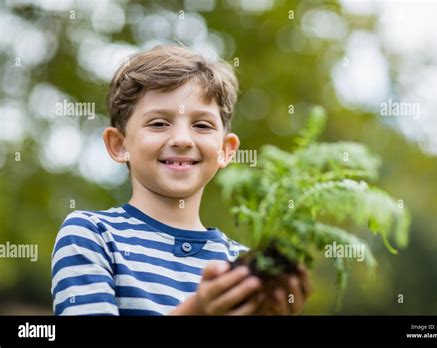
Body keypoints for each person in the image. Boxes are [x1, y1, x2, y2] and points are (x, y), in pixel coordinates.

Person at [51, 45, 310, 315]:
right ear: (119, 144)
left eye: (202, 125)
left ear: (226, 150)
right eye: (159, 123)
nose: (183, 140)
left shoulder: (241, 268)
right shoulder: (92, 235)